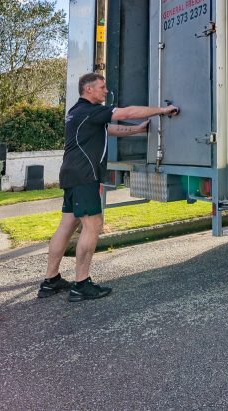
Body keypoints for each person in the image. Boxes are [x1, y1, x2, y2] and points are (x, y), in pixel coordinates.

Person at [38, 72, 179, 302]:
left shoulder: (76, 113)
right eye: (102, 87)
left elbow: (108, 130)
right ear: (89, 90)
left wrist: (136, 129)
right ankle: (81, 284)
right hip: (85, 176)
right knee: (93, 225)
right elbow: (128, 112)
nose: (106, 91)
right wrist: (162, 110)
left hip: (71, 174)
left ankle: (50, 280)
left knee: (66, 225)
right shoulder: (90, 110)